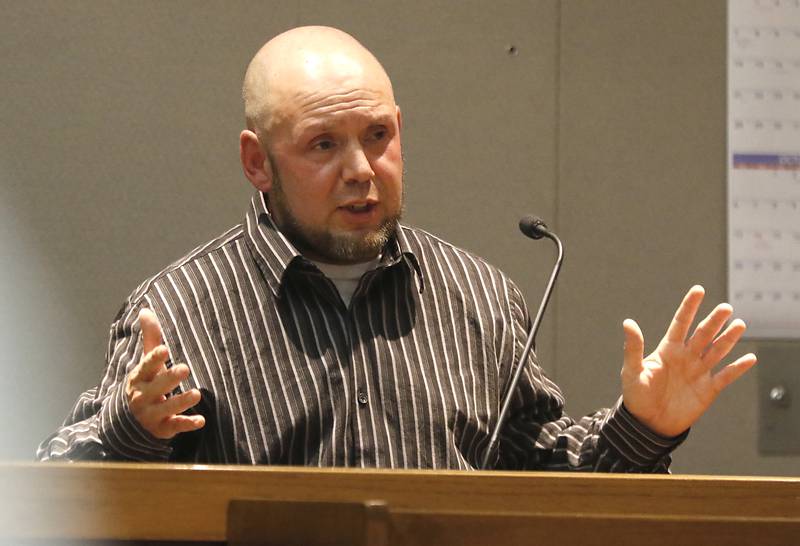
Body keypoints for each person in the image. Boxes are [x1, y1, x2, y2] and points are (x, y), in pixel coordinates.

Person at [37, 26, 756, 470]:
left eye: (378, 136)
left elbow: (539, 483)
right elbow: (51, 491)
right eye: (323, 144)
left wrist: (643, 427)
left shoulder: (477, 297)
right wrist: (129, 431)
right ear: (258, 162)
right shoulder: (178, 310)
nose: (360, 169)